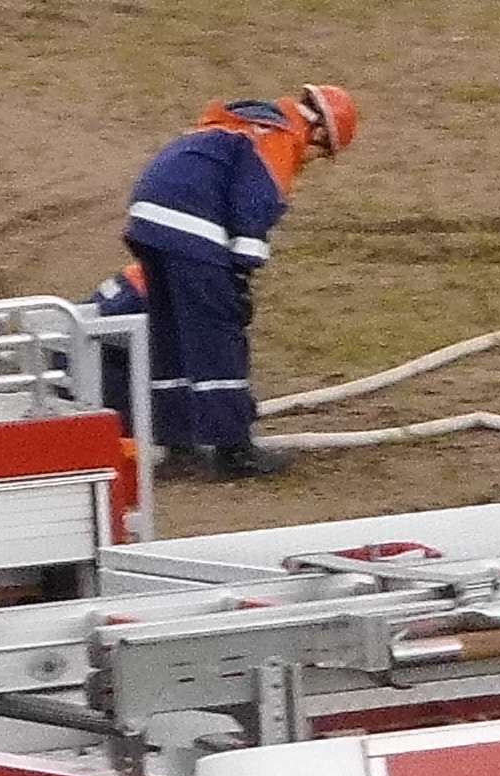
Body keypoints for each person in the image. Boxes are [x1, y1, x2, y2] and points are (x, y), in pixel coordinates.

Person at [107, 84, 357, 483]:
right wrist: (240, 275)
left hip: (150, 222)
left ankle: (178, 442)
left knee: (170, 335)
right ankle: (233, 451)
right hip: (192, 228)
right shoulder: (279, 138)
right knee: (218, 335)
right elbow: (251, 210)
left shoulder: (238, 126)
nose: (315, 161)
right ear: (319, 131)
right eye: (324, 152)